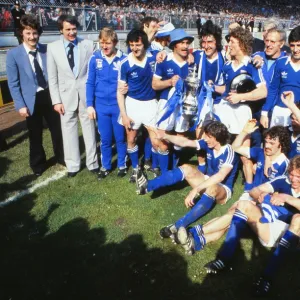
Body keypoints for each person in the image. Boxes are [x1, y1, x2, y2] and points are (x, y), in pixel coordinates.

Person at [176, 122, 291, 257]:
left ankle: (194, 233)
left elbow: (278, 194)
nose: (267, 145)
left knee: (231, 216)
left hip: (263, 203)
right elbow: (235, 147)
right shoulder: (261, 152)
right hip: (250, 195)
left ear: (281, 145)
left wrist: (258, 202)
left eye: (271, 143)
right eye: (266, 141)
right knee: (229, 218)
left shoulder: (285, 166)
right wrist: (244, 131)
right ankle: (196, 242)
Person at [203, 155, 300, 296]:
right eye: (291, 174)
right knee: (242, 205)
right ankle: (223, 259)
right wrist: (259, 194)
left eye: (298, 176)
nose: (293, 179)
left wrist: (286, 198)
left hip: (292, 235)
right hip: (269, 227)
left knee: (298, 218)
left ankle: (266, 278)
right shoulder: (283, 181)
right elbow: (255, 190)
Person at [136, 121, 239, 241]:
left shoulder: (230, 152)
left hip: (222, 189)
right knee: (186, 168)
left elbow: (221, 176)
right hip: (207, 180)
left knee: (213, 187)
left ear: (218, 138)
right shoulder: (208, 144)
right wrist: (165, 136)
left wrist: (196, 189)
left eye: (208, 136)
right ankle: (146, 186)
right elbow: (186, 142)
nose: (205, 139)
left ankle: (178, 226)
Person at [6, 15, 64, 176]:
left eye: (35, 33)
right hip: (30, 99)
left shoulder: (46, 50)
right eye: (28, 33)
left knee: (57, 129)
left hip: (50, 95)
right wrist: (20, 105)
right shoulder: (14, 54)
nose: (32, 37)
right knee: (35, 133)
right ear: (21, 34)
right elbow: (13, 83)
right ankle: (38, 164)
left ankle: (62, 156)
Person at [47, 15, 99, 177]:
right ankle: (73, 166)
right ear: (60, 30)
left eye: (74, 29)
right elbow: (52, 77)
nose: (71, 32)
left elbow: (93, 72)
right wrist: (56, 101)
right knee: (68, 131)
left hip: (85, 96)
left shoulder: (88, 45)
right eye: (68, 29)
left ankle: (93, 163)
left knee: (89, 129)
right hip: (65, 97)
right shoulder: (52, 48)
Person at [117, 29, 159, 182]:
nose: (135, 48)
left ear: (145, 44)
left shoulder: (154, 58)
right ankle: (135, 168)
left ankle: (153, 164)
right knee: (131, 138)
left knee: (155, 139)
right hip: (133, 104)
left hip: (151, 103)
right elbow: (120, 92)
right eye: (132, 45)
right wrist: (124, 115)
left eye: (138, 45)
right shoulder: (125, 63)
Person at [86, 28, 127, 180]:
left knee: (120, 137)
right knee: (105, 139)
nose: (104, 46)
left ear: (115, 42)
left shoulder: (123, 59)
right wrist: (90, 104)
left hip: (118, 106)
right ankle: (106, 165)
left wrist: (127, 87)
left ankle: (122, 164)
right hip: (101, 106)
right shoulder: (95, 58)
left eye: (108, 43)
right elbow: (90, 82)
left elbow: (128, 80)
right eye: (102, 42)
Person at [152, 28, 194, 173]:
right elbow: (155, 84)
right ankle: (163, 171)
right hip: (167, 104)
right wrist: (170, 82)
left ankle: (174, 169)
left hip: (184, 105)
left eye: (187, 43)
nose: (185, 46)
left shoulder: (191, 62)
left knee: (180, 138)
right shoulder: (164, 61)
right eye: (182, 43)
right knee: (162, 137)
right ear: (174, 45)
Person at [260, 26, 300, 129]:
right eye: (292, 45)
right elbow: (273, 89)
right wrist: (264, 112)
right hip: (280, 111)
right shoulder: (281, 62)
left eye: (299, 45)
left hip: (298, 114)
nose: (295, 49)